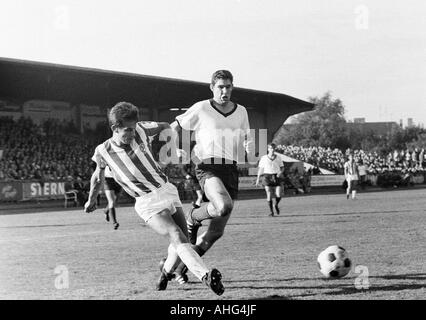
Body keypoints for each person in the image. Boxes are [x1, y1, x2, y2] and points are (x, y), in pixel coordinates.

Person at [84, 101, 224, 296]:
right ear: (115, 128)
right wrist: (91, 200)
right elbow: (97, 176)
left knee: (182, 242)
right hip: (147, 202)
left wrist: (172, 151)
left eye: (133, 129)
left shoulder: (141, 129)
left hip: (167, 190)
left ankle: (165, 274)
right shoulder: (103, 151)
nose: (132, 133)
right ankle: (206, 276)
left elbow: (166, 127)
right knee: (176, 235)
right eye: (127, 130)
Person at [169, 69, 254, 284]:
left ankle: (180, 267)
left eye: (228, 86)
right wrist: (175, 147)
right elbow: (175, 126)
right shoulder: (202, 108)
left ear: (233, 87)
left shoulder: (241, 111)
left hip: (230, 169)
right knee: (223, 206)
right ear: (212, 88)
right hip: (207, 166)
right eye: (220, 87)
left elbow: (246, 135)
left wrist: (249, 146)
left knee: (215, 233)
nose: (225, 91)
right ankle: (194, 217)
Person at [256, 143, 284, 216]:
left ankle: (276, 205)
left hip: (276, 176)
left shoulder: (278, 157)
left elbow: (282, 167)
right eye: (271, 148)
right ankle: (271, 212)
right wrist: (258, 178)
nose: (272, 149)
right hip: (267, 176)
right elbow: (261, 168)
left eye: (273, 148)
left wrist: (280, 172)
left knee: (278, 194)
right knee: (269, 193)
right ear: (268, 149)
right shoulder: (264, 158)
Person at [103, 166, 122, 230]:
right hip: (108, 179)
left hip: (118, 178)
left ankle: (106, 210)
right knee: (111, 201)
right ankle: (115, 222)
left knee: (116, 200)